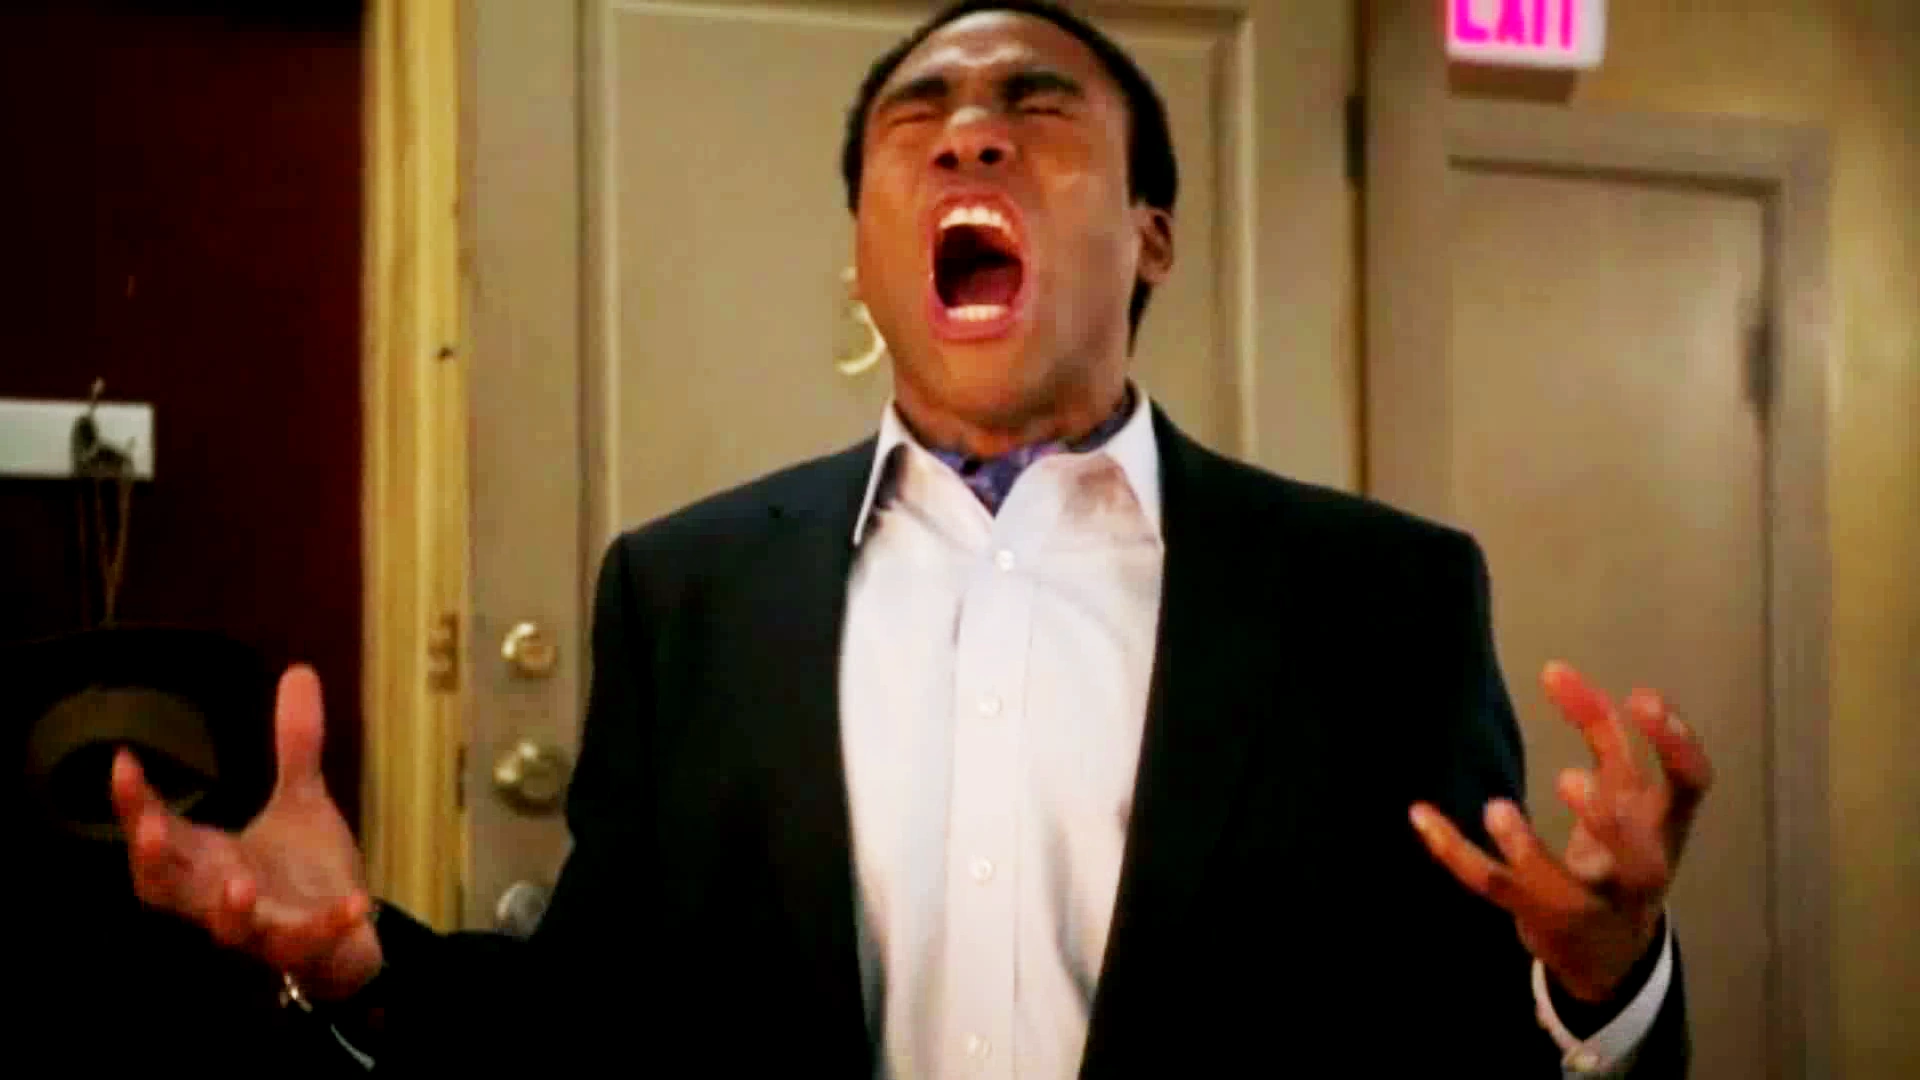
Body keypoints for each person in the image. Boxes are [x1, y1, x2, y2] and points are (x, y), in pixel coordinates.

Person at [111, 2, 1712, 1075]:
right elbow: (603, 1025)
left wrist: (1606, 979)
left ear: (1152, 236)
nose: (970, 136)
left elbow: (1468, 1034)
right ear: (864, 259)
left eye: (1037, 108)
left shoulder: (1380, 595)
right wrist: (361, 968)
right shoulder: (687, 590)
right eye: (919, 117)